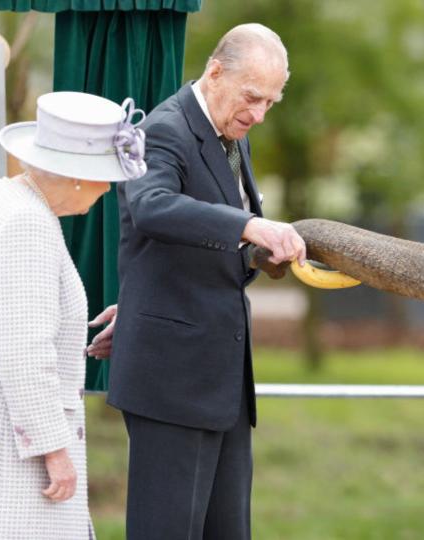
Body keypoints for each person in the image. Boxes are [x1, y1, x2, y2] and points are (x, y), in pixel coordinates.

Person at [96, 23, 305, 539]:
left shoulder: (230, 132)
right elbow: (152, 207)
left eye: (270, 103)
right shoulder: (163, 129)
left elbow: (199, 249)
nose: (258, 114)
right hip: (172, 379)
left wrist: (261, 253)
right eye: (252, 97)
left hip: (223, 379)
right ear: (215, 72)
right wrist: (249, 225)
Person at [0, 92, 148, 539]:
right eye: (105, 177)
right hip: (5, 455)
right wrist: (54, 450)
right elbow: (25, 354)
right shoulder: (26, 224)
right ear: (78, 177)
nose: (108, 190)